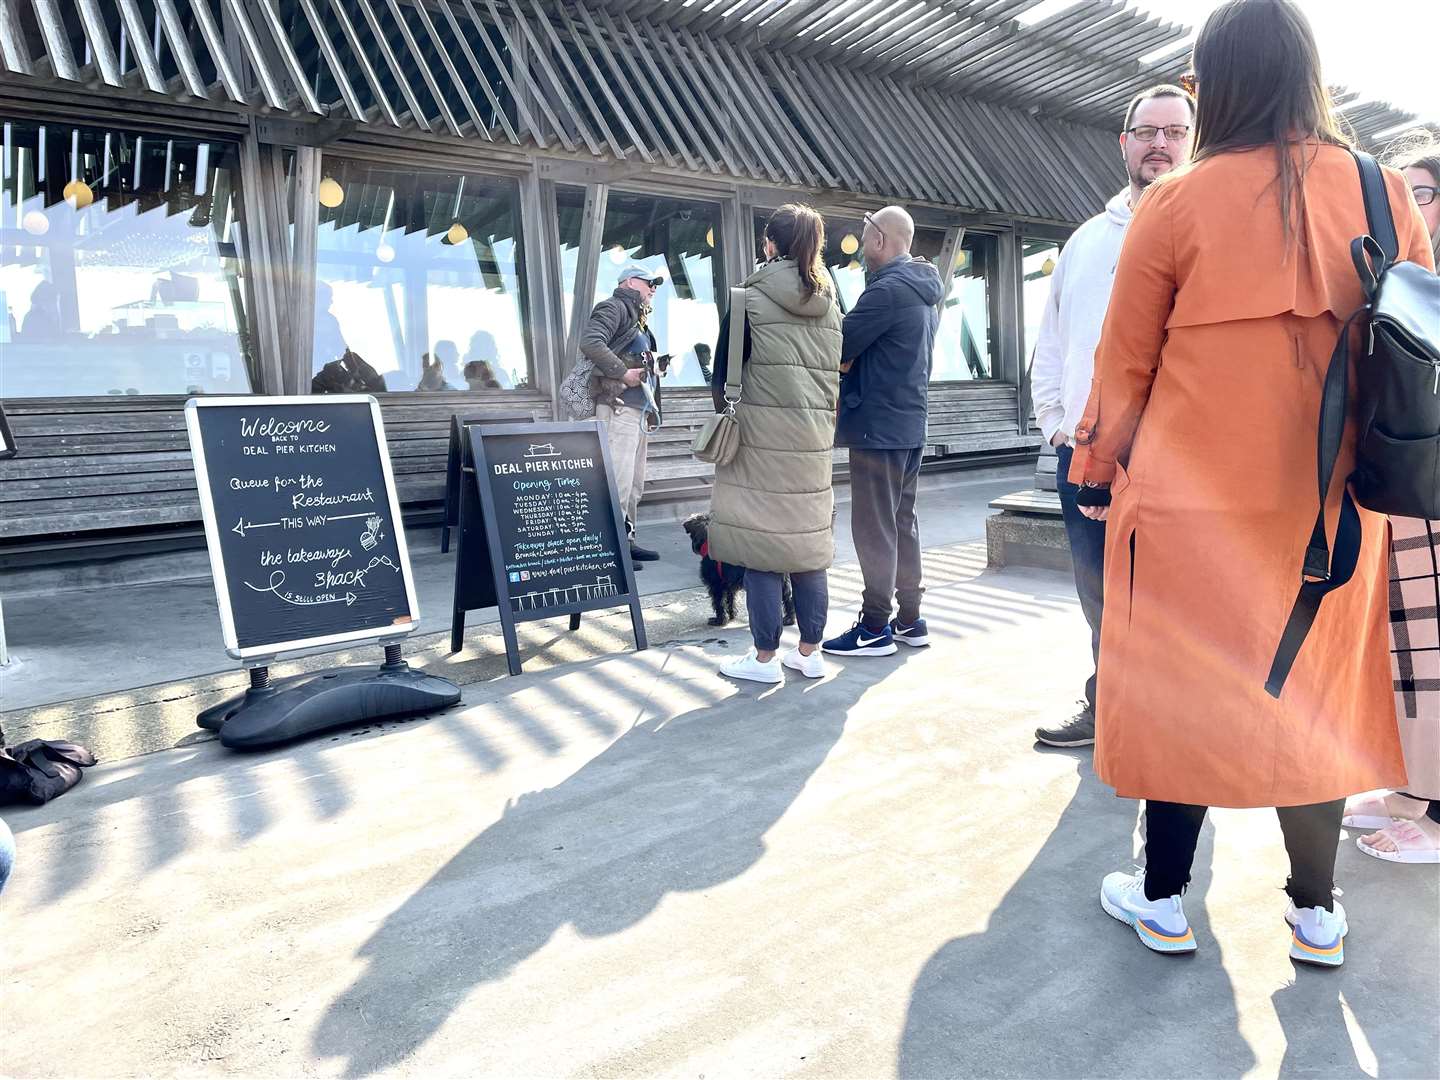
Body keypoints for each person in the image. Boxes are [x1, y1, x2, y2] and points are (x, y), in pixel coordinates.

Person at [1069, 0, 1433, 966]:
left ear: (1211, 86)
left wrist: (1095, 469)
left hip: (1189, 513)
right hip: (1335, 507)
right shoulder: (1381, 190)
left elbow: (1124, 367)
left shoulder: (1174, 203)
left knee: (1184, 694)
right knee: (1308, 697)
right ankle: (1315, 914)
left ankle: (1162, 901)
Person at [1030, 84, 1195, 749]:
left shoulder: (1205, 230)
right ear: (1124, 142)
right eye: (1147, 131)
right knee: (1098, 594)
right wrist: (1055, 422)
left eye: (1174, 132)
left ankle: (1172, 724)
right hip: (1086, 452)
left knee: (1175, 601)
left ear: (1192, 142)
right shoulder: (1088, 240)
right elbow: (1053, 336)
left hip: (1174, 461)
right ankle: (1110, 711)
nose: (1160, 143)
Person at [1343, 135, 1440, 865]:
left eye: (1424, 192)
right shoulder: (1404, 278)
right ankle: (1415, 786)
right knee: (1409, 644)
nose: (1408, 203)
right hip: (1410, 479)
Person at [708, 205, 842, 684]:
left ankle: (764, 657)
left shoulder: (748, 298)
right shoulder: (831, 306)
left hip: (758, 441)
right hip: (813, 443)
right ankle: (810, 651)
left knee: (761, 545)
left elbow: (726, 377)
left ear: (769, 244)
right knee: (807, 545)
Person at [821, 205, 943, 657]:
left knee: (875, 528)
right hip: (910, 421)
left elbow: (838, 346)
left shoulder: (888, 291)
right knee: (901, 522)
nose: (861, 245)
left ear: (879, 240)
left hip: (878, 425)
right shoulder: (925, 288)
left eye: (864, 236)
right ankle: (909, 618)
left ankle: (874, 626)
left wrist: (847, 357)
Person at [580, 265, 666, 565]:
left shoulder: (637, 317)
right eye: (650, 282)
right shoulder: (614, 306)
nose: (654, 288)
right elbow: (591, 342)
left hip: (637, 409)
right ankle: (611, 547)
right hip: (618, 406)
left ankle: (626, 540)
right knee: (617, 480)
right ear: (630, 282)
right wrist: (622, 372)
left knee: (634, 483)